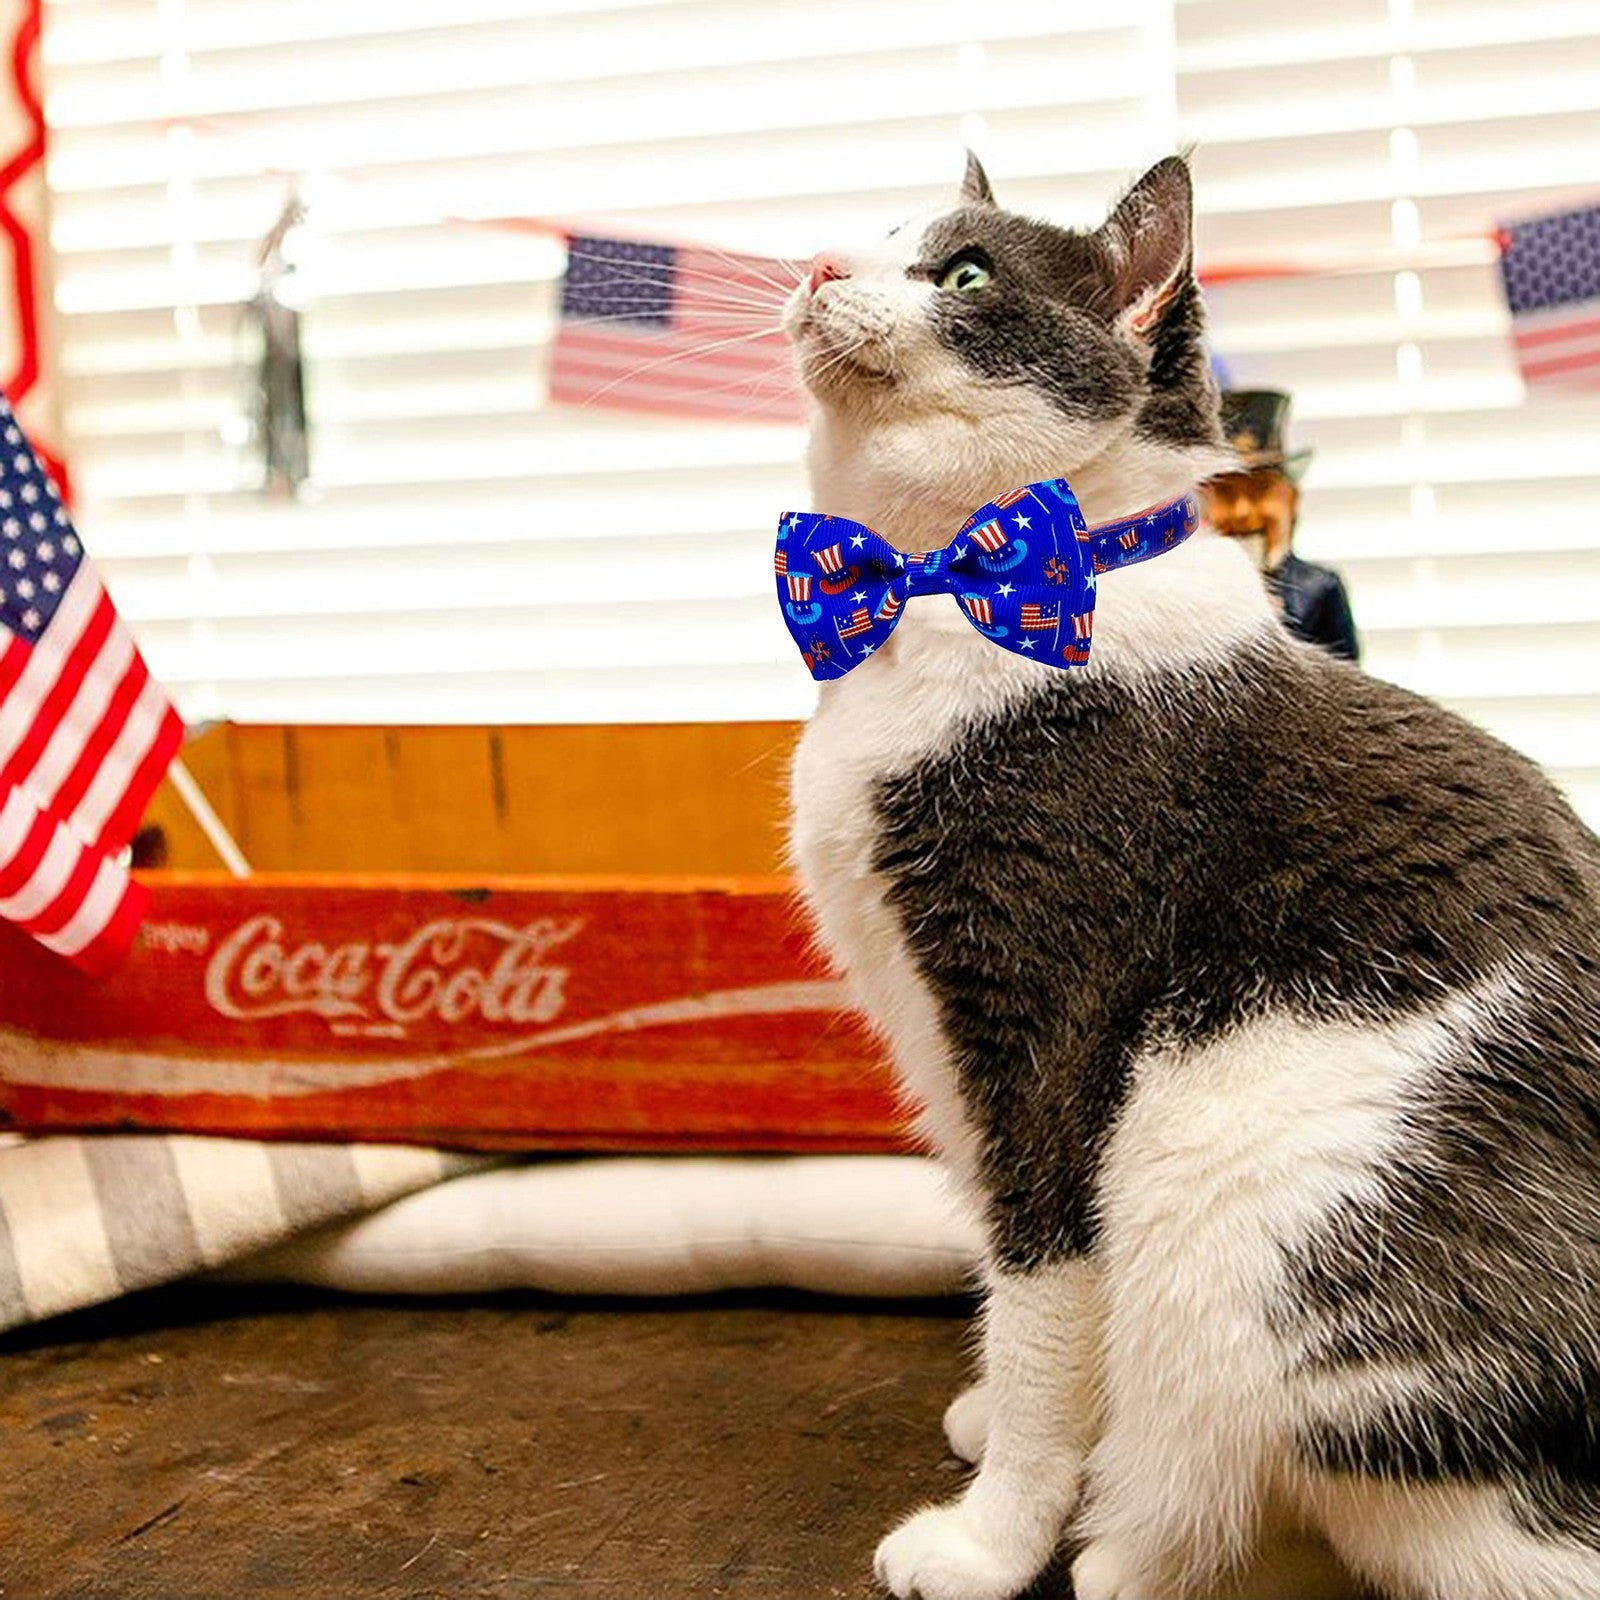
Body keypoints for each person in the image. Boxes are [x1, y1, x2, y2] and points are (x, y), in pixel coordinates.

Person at [1205, 389, 1360, 662]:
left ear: (1291, 499)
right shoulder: (1195, 593)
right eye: (1227, 494)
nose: (1243, 512)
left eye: (1260, 492)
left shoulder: (1317, 588)